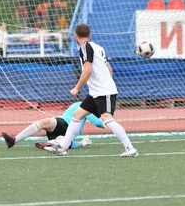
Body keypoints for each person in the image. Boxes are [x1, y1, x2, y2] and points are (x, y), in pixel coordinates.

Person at [50, 23, 138, 157]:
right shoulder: (98, 47)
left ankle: (130, 148)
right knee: (77, 114)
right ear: (89, 35)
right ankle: (63, 147)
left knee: (107, 118)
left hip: (103, 91)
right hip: (97, 92)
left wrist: (76, 88)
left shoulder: (85, 47)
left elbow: (87, 71)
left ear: (75, 35)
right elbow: (109, 69)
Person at [1, 101, 104, 151]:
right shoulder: (84, 105)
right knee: (45, 123)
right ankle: (14, 140)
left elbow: (97, 122)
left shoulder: (82, 105)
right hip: (63, 123)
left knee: (63, 142)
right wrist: (109, 123)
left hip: (66, 131)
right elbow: (99, 123)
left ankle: (52, 143)